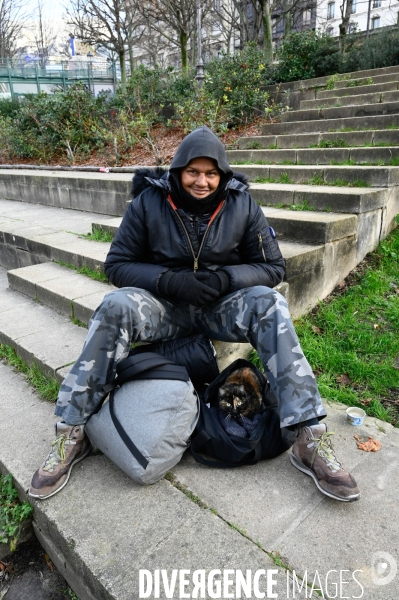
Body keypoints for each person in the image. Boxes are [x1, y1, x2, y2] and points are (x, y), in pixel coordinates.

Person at [29, 126, 360, 502]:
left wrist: (226, 278)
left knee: (270, 303)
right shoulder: (149, 203)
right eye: (193, 172)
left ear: (222, 175)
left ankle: (308, 435)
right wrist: (168, 281)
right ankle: (72, 431)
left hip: (219, 307)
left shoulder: (242, 204)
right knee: (114, 305)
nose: (202, 182)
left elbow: (273, 267)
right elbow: (117, 265)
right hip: (165, 307)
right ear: (177, 171)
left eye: (211, 173)